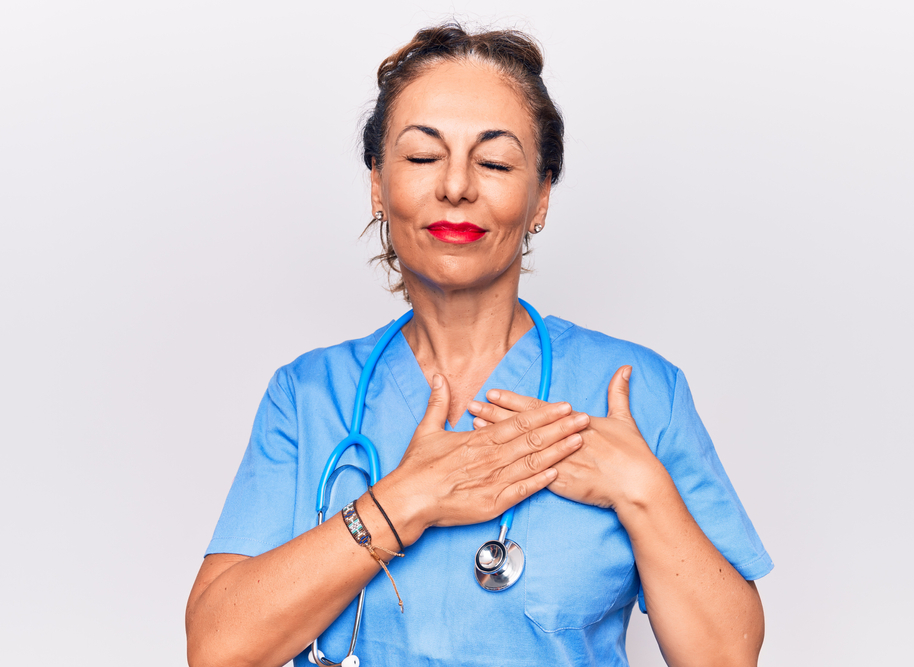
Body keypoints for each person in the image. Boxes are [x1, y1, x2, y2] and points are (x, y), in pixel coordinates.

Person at [186, 23, 772, 667]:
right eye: (421, 157)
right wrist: (409, 498)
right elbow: (218, 648)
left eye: (494, 162)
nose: (457, 186)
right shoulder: (309, 396)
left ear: (541, 195)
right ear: (378, 185)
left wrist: (641, 491)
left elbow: (726, 657)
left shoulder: (632, 391)